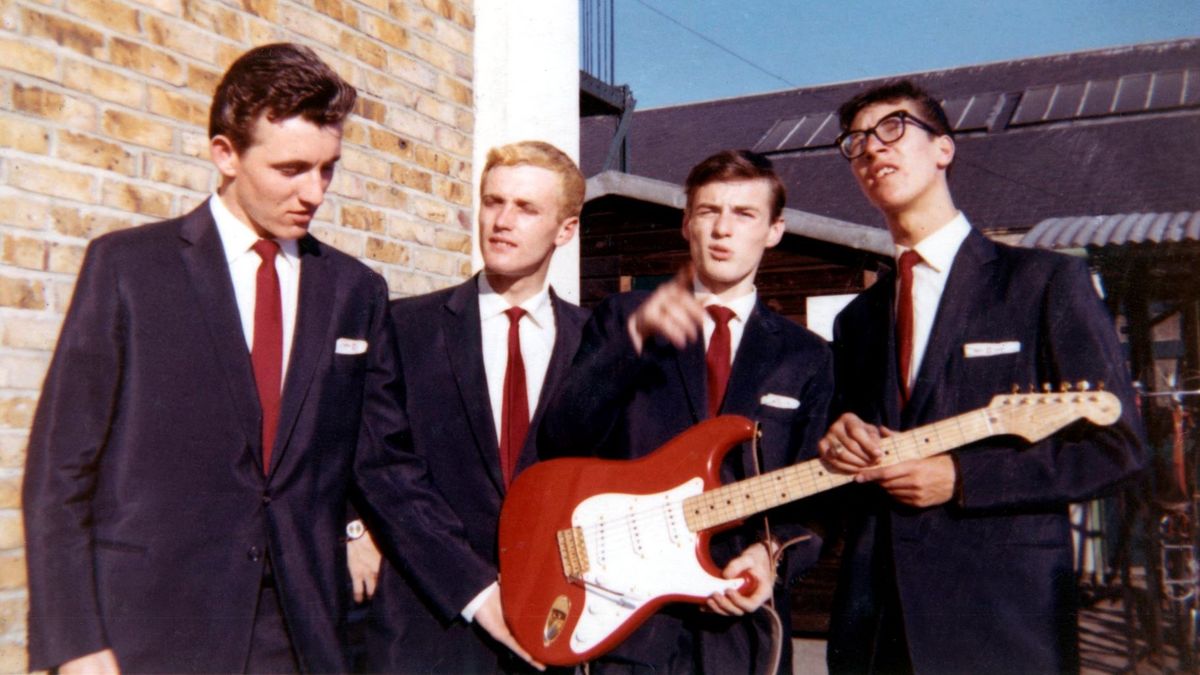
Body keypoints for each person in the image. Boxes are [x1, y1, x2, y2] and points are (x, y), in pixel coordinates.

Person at [22, 43, 530, 674]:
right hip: (148, 630)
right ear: (225, 155)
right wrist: (74, 642)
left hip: (298, 634)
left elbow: (388, 472)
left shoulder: (354, 292)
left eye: (327, 169)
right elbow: (60, 471)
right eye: (291, 169)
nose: (313, 192)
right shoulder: (128, 269)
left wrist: (483, 597)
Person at [818, 79, 1147, 674]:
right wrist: (838, 439)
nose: (871, 149)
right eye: (856, 142)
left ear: (944, 148)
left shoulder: (1044, 283)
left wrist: (965, 478)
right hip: (876, 625)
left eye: (893, 128)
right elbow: (849, 460)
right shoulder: (858, 321)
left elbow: (1118, 449)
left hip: (1000, 620)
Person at [539, 149, 833, 674]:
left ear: (774, 230)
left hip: (739, 624)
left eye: (744, 215)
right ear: (686, 223)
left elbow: (816, 500)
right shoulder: (623, 319)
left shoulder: (805, 355)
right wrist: (628, 348)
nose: (723, 230)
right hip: (630, 618)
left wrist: (771, 558)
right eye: (708, 211)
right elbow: (562, 439)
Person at [345, 140, 589, 672]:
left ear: (566, 229)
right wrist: (356, 525)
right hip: (428, 622)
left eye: (526, 208)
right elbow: (372, 458)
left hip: (553, 626)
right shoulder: (404, 326)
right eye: (492, 201)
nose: (502, 221)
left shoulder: (597, 344)